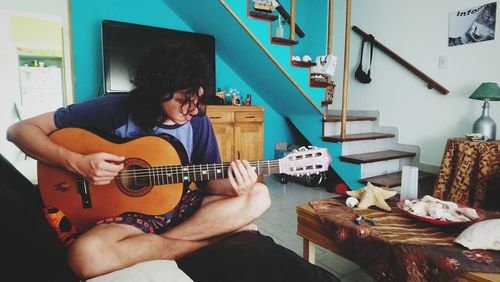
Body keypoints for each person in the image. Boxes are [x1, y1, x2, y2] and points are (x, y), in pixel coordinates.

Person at [6, 41, 271, 280]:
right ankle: (210, 239)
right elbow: (18, 131)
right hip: (126, 219)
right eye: (182, 100)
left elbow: (210, 183)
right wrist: (76, 162)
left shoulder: (197, 121)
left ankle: (158, 246)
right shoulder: (114, 109)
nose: (192, 110)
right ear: (159, 91)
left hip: (180, 209)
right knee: (85, 257)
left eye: (197, 99)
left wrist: (236, 186)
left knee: (259, 195)